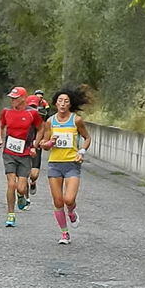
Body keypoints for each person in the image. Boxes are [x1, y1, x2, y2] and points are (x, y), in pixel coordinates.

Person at [39, 86, 91, 244]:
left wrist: (81, 151)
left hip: (71, 164)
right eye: (60, 101)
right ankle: (64, 233)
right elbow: (43, 144)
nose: (62, 104)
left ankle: (72, 211)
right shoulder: (50, 121)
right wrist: (50, 142)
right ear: (55, 103)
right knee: (58, 201)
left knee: (69, 199)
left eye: (66, 101)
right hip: (55, 164)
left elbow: (87, 138)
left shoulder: (76, 120)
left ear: (70, 104)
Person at [0, 87, 43, 227]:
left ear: (23, 98)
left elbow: (41, 128)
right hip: (9, 152)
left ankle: (22, 196)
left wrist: (35, 144)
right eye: (11, 98)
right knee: (11, 183)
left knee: (21, 188)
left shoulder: (33, 113)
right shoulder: (6, 112)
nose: (12, 100)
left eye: (15, 98)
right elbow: (1, 126)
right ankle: (10, 214)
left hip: (25, 154)